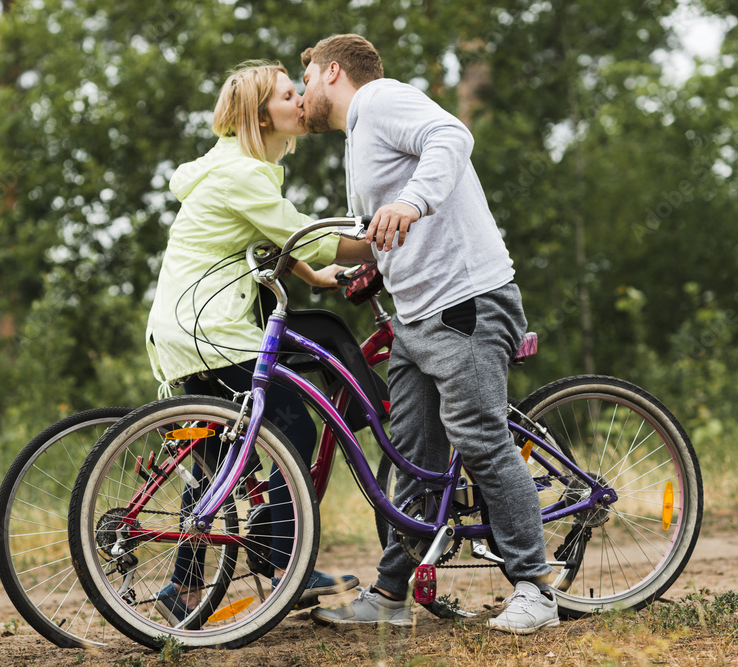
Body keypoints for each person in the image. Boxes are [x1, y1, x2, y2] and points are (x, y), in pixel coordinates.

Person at [298, 35, 559, 635]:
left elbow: (453, 138)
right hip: (416, 318)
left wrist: (413, 202)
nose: (302, 89)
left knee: (481, 438)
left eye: (305, 75)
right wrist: (360, 267)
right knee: (410, 457)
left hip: (465, 302)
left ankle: (535, 589)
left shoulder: (382, 100)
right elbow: (389, 231)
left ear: (332, 71)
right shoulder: (358, 139)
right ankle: (391, 595)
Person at [145, 60, 372, 623]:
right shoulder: (245, 174)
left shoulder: (228, 167)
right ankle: (280, 559)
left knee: (218, 467)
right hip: (212, 329)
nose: (300, 102)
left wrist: (315, 279)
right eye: (288, 95)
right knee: (293, 428)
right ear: (259, 115)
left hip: (178, 331)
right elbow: (299, 234)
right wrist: (380, 243)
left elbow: (268, 238)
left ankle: (184, 589)